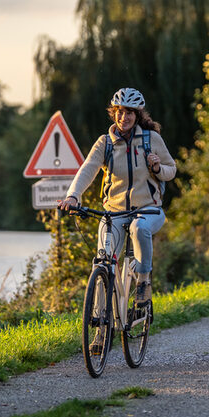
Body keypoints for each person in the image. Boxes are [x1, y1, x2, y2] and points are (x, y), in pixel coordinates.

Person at [59, 87, 176, 306]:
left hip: (148, 210)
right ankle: (99, 324)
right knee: (103, 262)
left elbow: (172, 170)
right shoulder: (105, 143)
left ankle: (143, 282)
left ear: (137, 115)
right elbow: (88, 169)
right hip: (114, 212)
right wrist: (73, 196)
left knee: (139, 229)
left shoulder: (152, 140)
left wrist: (158, 167)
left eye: (129, 112)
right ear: (114, 113)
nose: (124, 117)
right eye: (119, 111)